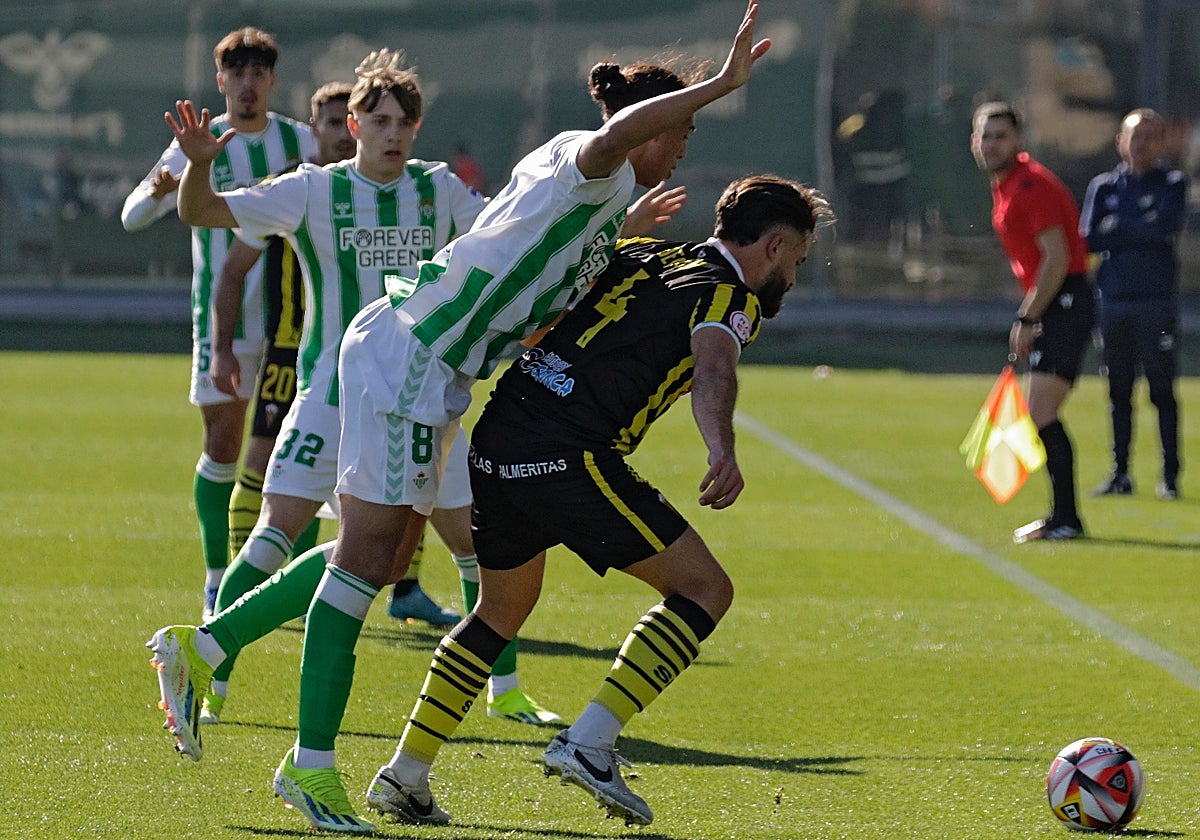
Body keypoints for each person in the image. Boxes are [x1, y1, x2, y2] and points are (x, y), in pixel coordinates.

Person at [164, 6, 767, 832]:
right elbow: (618, 133)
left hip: (427, 365)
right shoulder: (591, 158)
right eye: (683, 128)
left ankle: (206, 646)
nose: (683, 144)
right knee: (369, 559)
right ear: (649, 125)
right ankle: (309, 768)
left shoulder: (604, 198)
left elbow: (522, 247)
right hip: (414, 354)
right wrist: (722, 82)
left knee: (375, 549)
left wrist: (619, 229)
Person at [366, 174, 830, 828]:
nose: (793, 277)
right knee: (705, 591)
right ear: (775, 246)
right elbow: (715, 366)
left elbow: (554, 307)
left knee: (497, 612)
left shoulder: (646, 251)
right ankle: (590, 742)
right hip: (568, 451)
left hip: (502, 429)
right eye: (798, 262)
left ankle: (405, 775)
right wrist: (721, 449)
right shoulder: (731, 296)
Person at [146, 50, 537, 756]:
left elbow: (510, 246)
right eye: (378, 120)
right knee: (278, 531)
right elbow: (201, 210)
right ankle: (213, 678)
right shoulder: (312, 190)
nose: (392, 133)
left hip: (423, 399)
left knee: (473, 544)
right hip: (331, 396)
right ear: (350, 124)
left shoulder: (440, 191)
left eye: (404, 123)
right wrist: (202, 163)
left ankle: (505, 692)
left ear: (417, 130)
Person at [121, 28, 316, 618]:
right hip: (221, 321)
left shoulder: (298, 140)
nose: (249, 84)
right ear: (220, 81)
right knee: (223, 445)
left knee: (296, 449)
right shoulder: (193, 145)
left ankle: (293, 588)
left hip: (294, 321)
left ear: (272, 81)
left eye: (259, 73)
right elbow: (132, 218)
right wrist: (160, 189)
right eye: (238, 74)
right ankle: (215, 577)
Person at [971, 101, 1096, 543]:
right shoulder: (1007, 185)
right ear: (974, 142)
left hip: (1065, 300)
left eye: (1001, 136)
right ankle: (1063, 516)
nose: (992, 145)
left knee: (1041, 410)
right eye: (985, 136)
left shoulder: (1029, 184)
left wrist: (1029, 316)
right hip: (1053, 301)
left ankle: (1067, 518)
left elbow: (1058, 257)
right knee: (1039, 411)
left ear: (1019, 141)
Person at [1080, 108, 1187, 501]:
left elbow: (1165, 229)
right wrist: (1137, 225)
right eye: (1135, 136)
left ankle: (1170, 475)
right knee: (1118, 390)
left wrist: (1120, 227)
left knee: (1161, 388)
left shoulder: (1172, 183)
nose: (1142, 144)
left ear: (1161, 143)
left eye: (1150, 136)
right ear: (1120, 141)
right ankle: (1120, 473)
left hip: (1155, 303)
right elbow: (1090, 238)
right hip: (1114, 302)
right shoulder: (1104, 187)